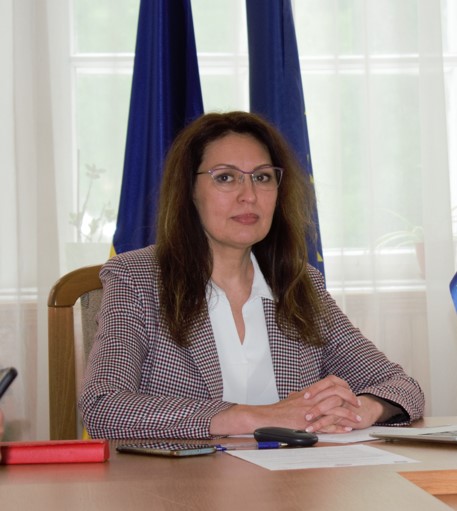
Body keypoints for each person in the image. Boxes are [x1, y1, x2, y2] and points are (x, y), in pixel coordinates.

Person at [79, 111, 424, 440]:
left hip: (290, 479)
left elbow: (401, 386)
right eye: (225, 178)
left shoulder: (298, 283)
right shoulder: (137, 279)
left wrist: (360, 409)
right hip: (179, 481)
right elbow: (102, 407)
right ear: (189, 192)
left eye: (262, 177)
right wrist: (253, 417)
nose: (249, 195)